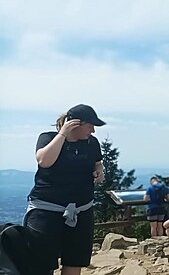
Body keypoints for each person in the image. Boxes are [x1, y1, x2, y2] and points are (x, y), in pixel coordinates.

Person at [24, 104, 106, 275]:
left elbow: (98, 162)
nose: (93, 131)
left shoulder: (92, 143)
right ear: (75, 123)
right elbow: (44, 161)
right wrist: (63, 134)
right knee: (41, 263)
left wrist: (99, 170)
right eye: (90, 126)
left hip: (82, 209)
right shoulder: (48, 138)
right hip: (46, 210)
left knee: (75, 260)